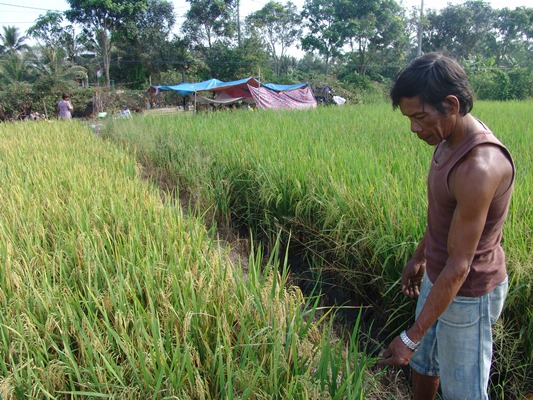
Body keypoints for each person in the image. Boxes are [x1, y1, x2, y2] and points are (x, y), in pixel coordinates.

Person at [377, 52, 515, 400]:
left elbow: (460, 265)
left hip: (468, 293)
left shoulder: (478, 168)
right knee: (424, 365)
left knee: (462, 391)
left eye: (420, 116)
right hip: (438, 276)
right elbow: (441, 213)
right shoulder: (445, 139)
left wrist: (410, 335)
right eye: (409, 118)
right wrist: (420, 256)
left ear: (451, 104)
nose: (413, 128)